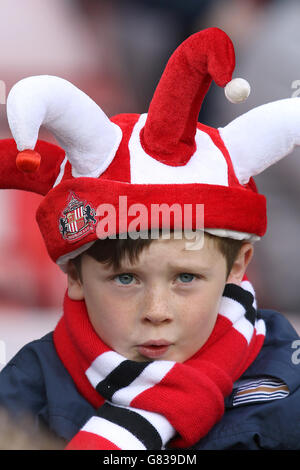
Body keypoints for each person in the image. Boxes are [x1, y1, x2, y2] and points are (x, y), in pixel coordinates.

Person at [0, 27, 300, 450]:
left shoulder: (287, 381)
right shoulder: (29, 388)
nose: (156, 312)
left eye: (186, 278)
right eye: (126, 279)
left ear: (237, 265)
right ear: (76, 276)